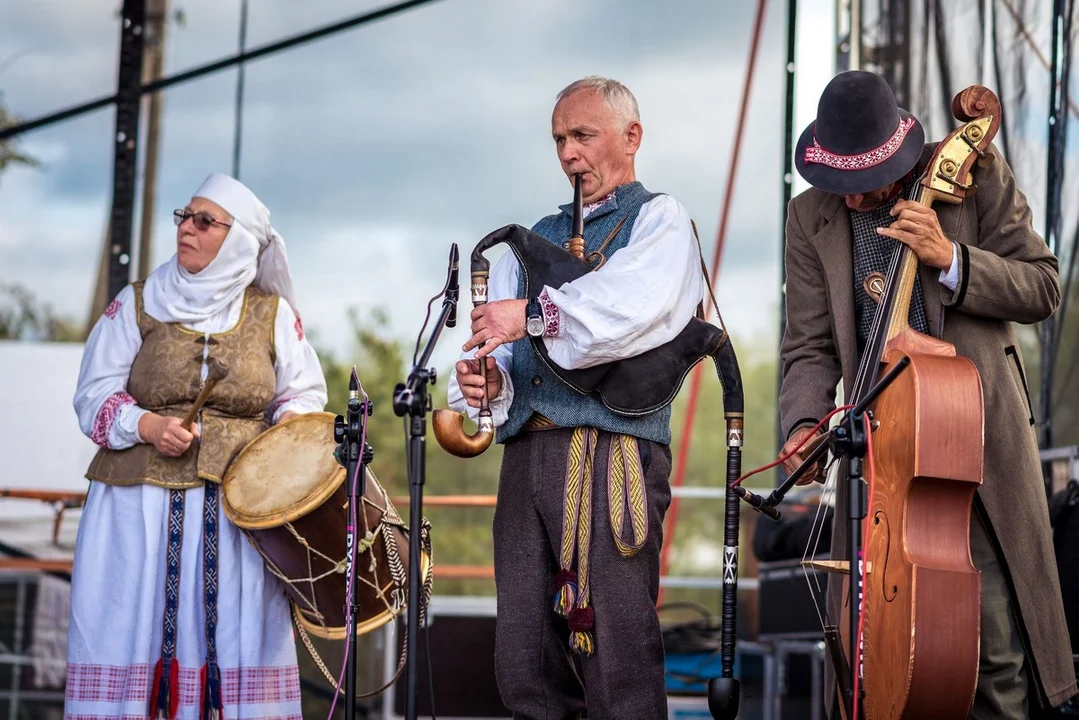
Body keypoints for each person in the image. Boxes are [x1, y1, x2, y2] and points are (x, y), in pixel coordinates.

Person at [778, 70, 1077, 718]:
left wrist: (950, 259)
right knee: (884, 655)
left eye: (866, 184)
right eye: (840, 187)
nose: (855, 200)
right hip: (881, 464)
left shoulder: (972, 176)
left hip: (970, 454)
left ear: (899, 152)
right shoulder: (808, 216)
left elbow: (1042, 287)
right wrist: (802, 424)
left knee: (990, 650)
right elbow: (807, 345)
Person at [447, 76, 705, 719]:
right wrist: (491, 381)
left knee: (617, 652)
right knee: (523, 657)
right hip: (526, 459)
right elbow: (501, 346)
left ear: (631, 137)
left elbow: (625, 311)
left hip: (611, 452)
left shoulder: (659, 221)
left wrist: (529, 317)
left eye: (583, 135)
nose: (568, 153)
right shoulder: (532, 236)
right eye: (560, 138)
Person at [67, 174, 327, 718]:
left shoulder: (273, 316)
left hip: (235, 520)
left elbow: (302, 400)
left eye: (204, 220)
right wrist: (145, 426)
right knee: (129, 630)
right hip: (136, 513)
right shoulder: (136, 304)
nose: (187, 227)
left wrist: (272, 456)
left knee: (236, 638)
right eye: (185, 216)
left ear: (237, 240)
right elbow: (93, 394)